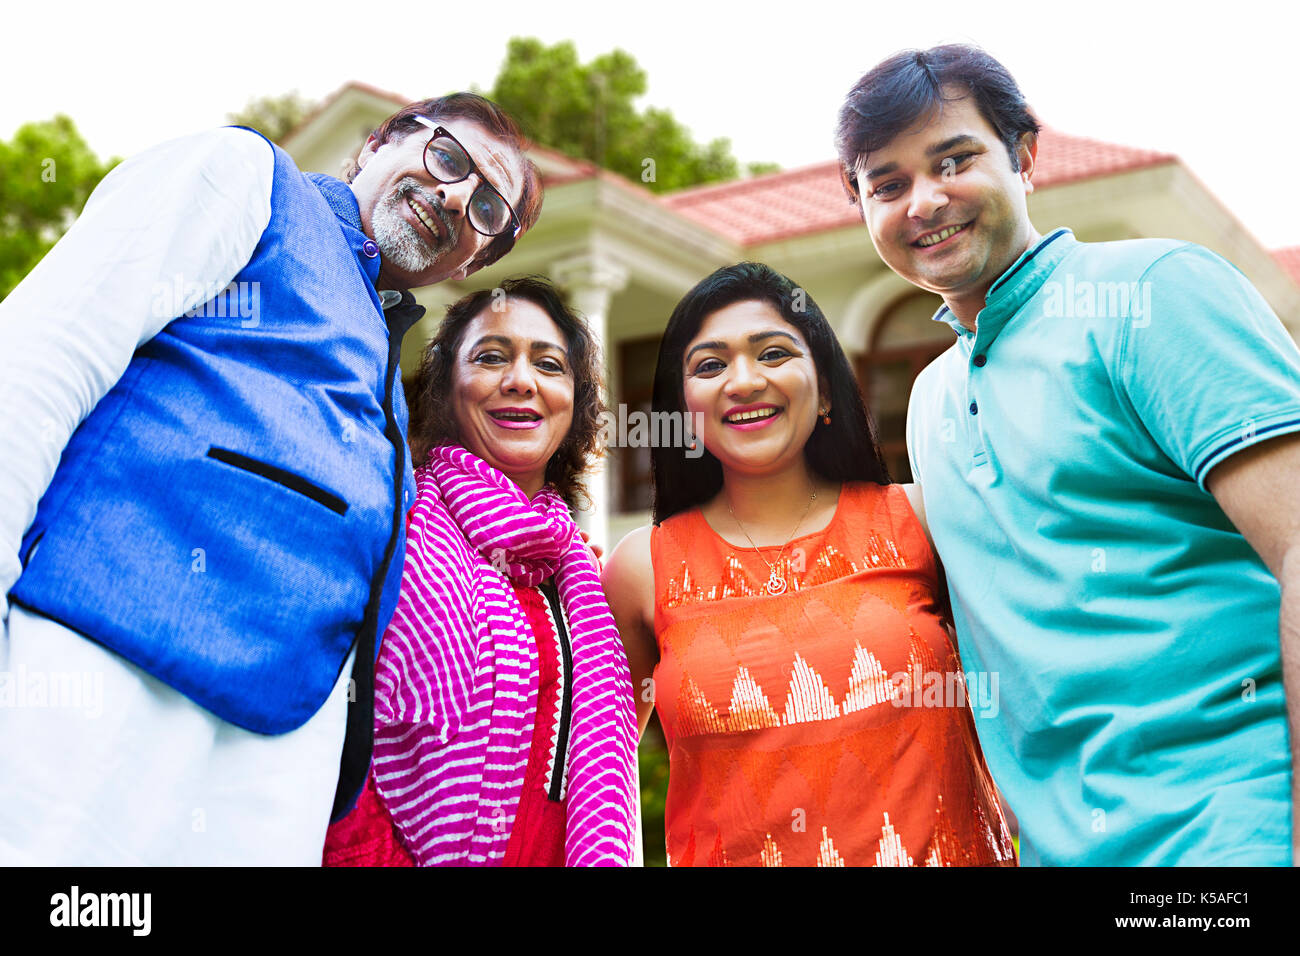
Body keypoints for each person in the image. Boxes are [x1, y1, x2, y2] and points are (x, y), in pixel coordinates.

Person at [0, 92, 542, 864]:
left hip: (271, 774)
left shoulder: (391, 380)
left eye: (488, 206)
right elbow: (42, 356)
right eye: (447, 157)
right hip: (97, 683)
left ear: (474, 261)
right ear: (380, 142)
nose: (456, 196)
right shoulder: (247, 177)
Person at [836, 44, 1300, 866]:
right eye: (888, 184)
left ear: (1024, 155)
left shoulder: (1157, 292)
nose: (925, 202)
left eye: (955, 159)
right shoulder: (931, 403)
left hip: (1237, 840)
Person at [602, 262, 1016, 866]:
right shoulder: (642, 567)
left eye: (773, 353)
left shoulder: (921, 517)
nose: (742, 381)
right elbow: (596, 781)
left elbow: (1033, 692)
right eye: (710, 365)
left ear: (824, 390)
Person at [322, 276, 639, 867]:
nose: (521, 380)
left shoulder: (579, 577)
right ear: (447, 388)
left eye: (549, 364)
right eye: (491, 357)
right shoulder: (393, 525)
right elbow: (335, 731)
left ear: (575, 401)